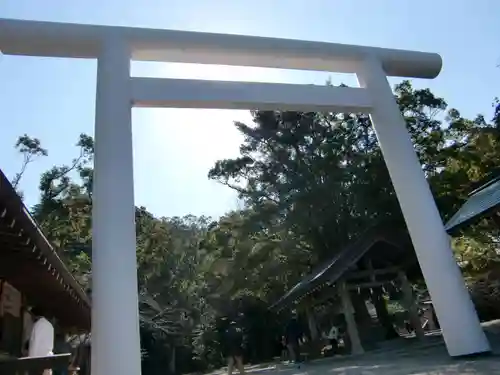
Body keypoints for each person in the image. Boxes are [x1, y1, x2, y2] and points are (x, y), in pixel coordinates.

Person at [28, 306, 55, 375]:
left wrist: (30, 362)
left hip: (39, 362)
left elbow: (34, 345)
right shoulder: (50, 325)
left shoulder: (37, 325)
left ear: (35, 315)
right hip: (49, 360)